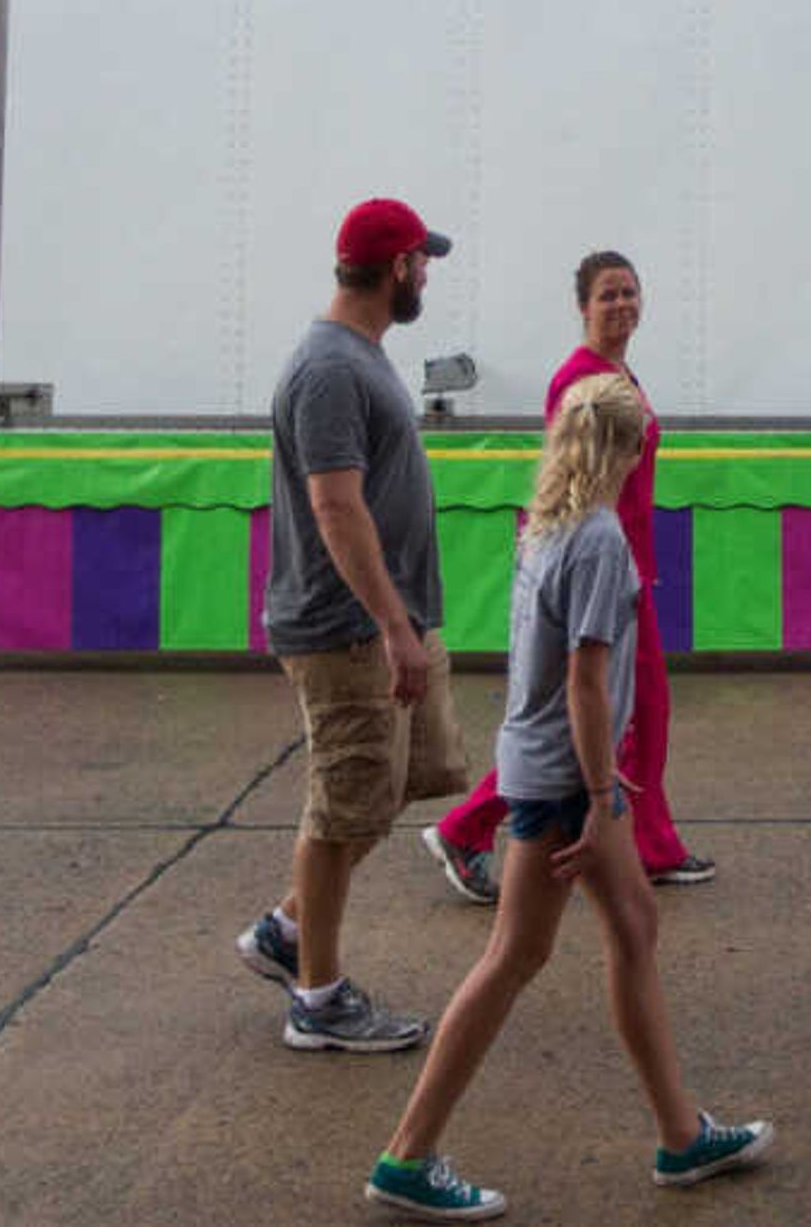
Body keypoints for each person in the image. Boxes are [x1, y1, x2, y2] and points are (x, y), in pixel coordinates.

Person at [367, 374, 777, 1218]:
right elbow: (588, 682)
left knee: (633, 926)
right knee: (516, 956)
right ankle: (408, 1157)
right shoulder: (599, 541)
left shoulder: (545, 528)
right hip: (564, 780)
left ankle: (679, 1134)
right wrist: (600, 795)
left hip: (547, 766)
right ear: (628, 450)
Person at [229, 196, 469, 1053]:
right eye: (423, 262)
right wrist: (393, 628)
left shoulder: (361, 356)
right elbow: (336, 508)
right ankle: (319, 1000)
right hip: (347, 630)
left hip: (391, 621)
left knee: (412, 772)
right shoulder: (330, 369)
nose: (429, 275)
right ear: (398, 268)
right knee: (343, 802)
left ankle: (287, 932)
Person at [423, 251, 714, 904]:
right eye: (608, 295)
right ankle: (470, 827)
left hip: (629, 567)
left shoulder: (617, 372)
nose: (622, 305)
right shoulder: (577, 379)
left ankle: (646, 843)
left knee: (644, 712)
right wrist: (594, 566)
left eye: (630, 293)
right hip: (602, 571)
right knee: (611, 712)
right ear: (583, 307)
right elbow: (572, 476)